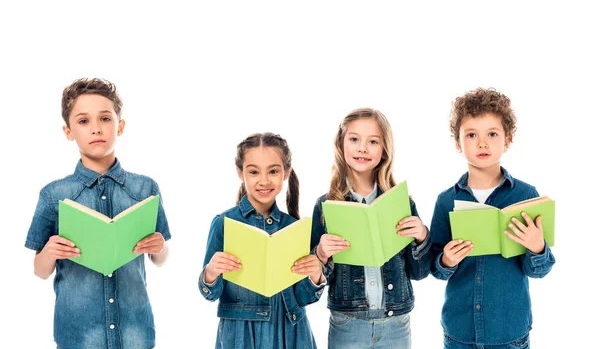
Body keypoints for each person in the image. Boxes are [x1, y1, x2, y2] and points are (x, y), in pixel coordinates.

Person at [24, 78, 171, 349]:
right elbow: (40, 271)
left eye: (104, 118)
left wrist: (159, 247)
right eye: (83, 121)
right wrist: (50, 252)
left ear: (120, 126)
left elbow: (159, 258)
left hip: (135, 333)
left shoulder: (145, 188)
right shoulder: (53, 195)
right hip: (79, 336)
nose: (95, 129)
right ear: (68, 131)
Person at [429, 87, 555, 349]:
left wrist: (537, 246)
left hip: (509, 332)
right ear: (458, 143)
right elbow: (436, 268)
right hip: (459, 332)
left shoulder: (526, 195)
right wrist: (447, 260)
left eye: (492, 134)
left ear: (507, 141)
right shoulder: (446, 201)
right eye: (471, 135)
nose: (482, 143)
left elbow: (539, 270)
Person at [311, 108, 432, 349]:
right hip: (347, 322)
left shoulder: (402, 203)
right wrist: (321, 254)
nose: (362, 148)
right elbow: (320, 279)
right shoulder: (327, 205)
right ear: (341, 144)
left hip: (396, 322)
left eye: (373, 141)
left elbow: (419, 272)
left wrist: (422, 237)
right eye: (354, 139)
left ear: (384, 149)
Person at [199, 132, 325, 349]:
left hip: (290, 332)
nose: (264, 180)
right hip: (240, 335)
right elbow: (210, 293)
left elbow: (303, 297)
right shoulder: (224, 223)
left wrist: (315, 276)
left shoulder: (295, 227)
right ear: (240, 173)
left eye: (274, 171)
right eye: (254, 172)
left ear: (286, 172)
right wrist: (211, 272)